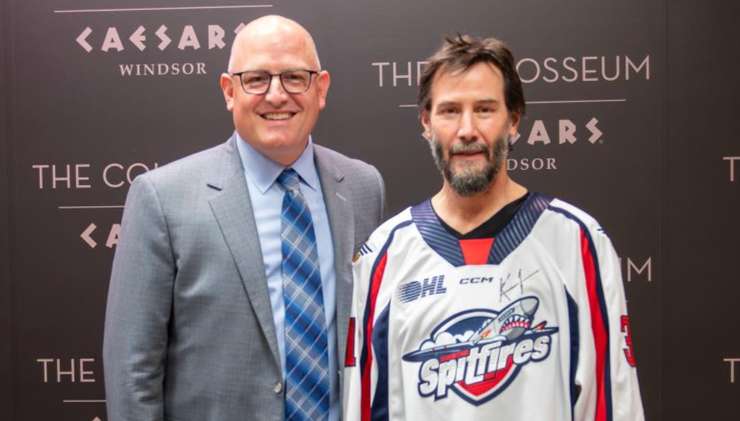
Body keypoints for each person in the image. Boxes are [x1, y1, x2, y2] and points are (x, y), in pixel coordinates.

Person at [343, 35, 643, 420]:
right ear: (426, 123)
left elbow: (614, 404)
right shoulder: (385, 254)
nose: (467, 129)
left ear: (513, 120)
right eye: (450, 111)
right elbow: (361, 408)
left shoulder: (576, 241)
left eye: (484, 109)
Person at [103, 15, 384, 421]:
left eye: (294, 77)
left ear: (320, 88)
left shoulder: (362, 187)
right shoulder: (162, 198)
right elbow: (133, 368)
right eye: (256, 79)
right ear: (229, 91)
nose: (276, 95)